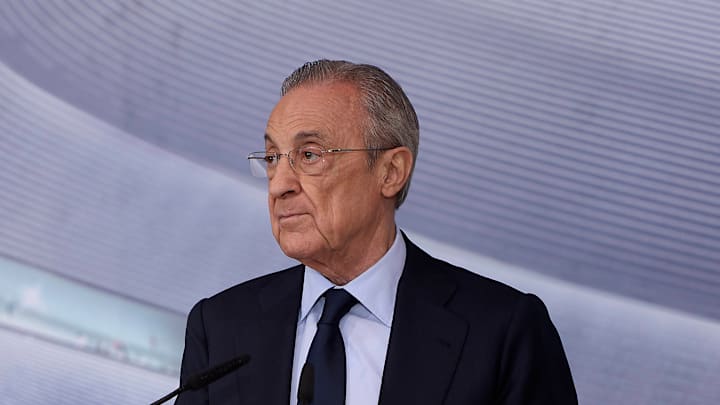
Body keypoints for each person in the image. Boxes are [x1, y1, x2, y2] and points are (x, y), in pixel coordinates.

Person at [176, 59, 577, 405]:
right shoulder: (221, 326)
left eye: (309, 155)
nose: (279, 184)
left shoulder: (502, 332)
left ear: (390, 172)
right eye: (271, 158)